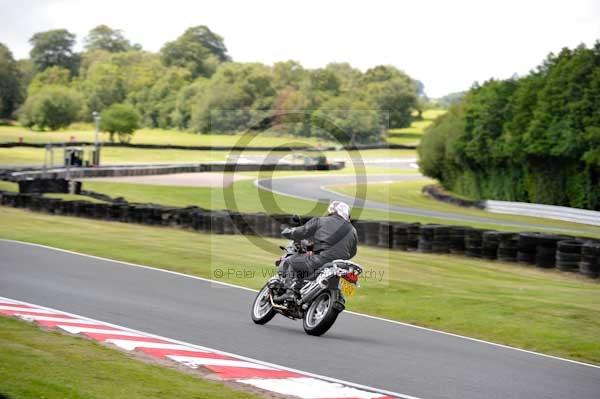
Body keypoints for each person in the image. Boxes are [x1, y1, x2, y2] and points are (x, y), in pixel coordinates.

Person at [275, 200, 358, 302]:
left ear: (332, 210)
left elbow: (303, 232)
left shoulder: (321, 221)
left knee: (290, 261)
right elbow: (352, 252)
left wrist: (289, 232)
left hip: (321, 259)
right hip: (340, 266)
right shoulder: (353, 231)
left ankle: (290, 293)